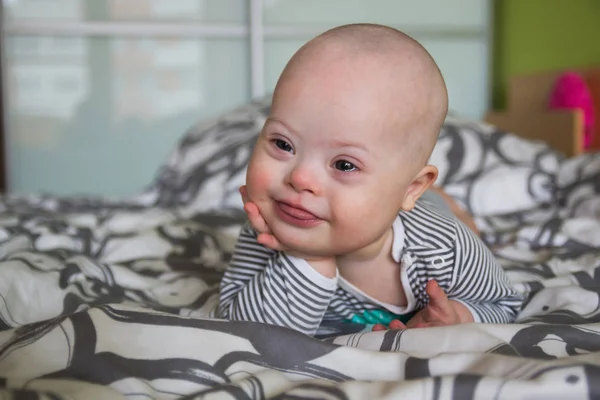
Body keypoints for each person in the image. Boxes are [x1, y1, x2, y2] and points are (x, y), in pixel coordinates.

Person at [216, 23, 523, 336]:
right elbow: (242, 327)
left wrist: (459, 315)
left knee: (461, 222)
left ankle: (443, 201)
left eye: (345, 164)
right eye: (283, 144)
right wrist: (306, 259)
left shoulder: (446, 247)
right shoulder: (269, 231)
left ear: (411, 187)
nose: (300, 177)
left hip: (427, 214)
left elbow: (502, 304)